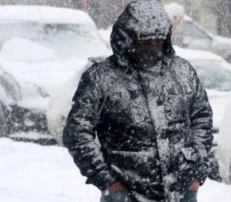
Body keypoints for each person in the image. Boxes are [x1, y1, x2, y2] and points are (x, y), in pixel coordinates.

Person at [62, 0, 213, 202]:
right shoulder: (102, 78)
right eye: (144, 43)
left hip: (182, 192)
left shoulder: (182, 72)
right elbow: (77, 132)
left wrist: (196, 171)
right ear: (126, 38)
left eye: (157, 41)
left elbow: (202, 118)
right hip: (125, 194)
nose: (152, 48)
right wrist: (108, 181)